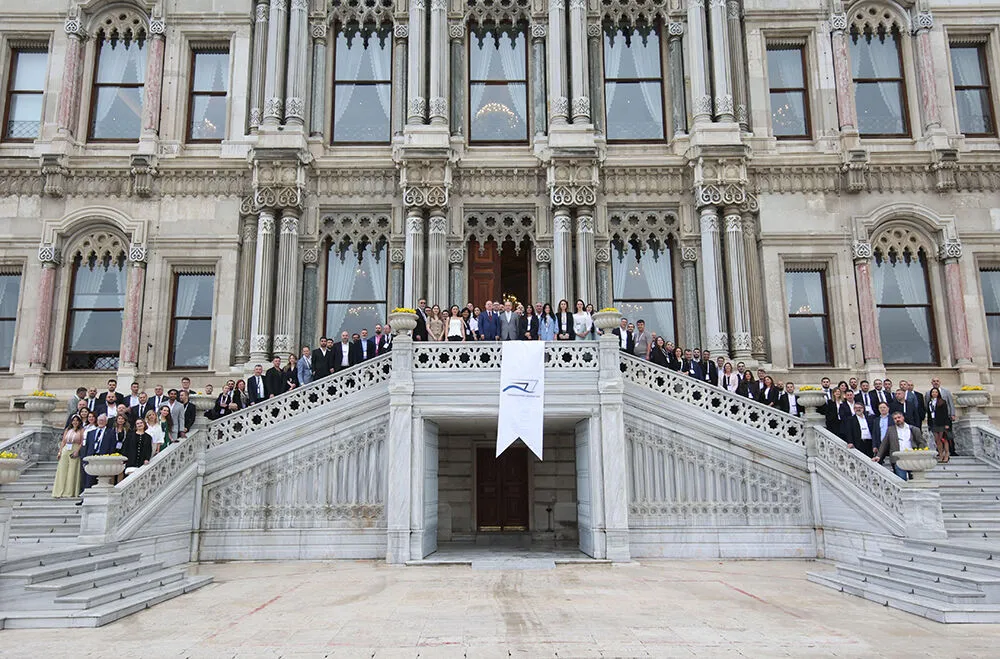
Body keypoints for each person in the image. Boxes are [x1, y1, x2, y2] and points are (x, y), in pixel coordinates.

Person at [873, 411, 927, 480]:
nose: (897, 420)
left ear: (903, 418)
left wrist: (920, 454)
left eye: (899, 417)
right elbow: (884, 444)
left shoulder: (913, 429)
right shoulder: (890, 430)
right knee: (901, 480)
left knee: (914, 480)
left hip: (912, 458)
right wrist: (878, 456)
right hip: (898, 459)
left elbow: (921, 442)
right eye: (895, 418)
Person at [52, 415, 84, 498]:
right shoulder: (68, 429)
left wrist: (77, 451)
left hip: (75, 449)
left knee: (72, 471)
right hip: (66, 449)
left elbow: (82, 442)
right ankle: (59, 491)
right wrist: (60, 451)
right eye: (73, 420)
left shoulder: (81, 430)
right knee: (62, 470)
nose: (75, 422)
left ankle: (69, 492)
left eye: (77, 420)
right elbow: (63, 441)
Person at [926, 387, 951, 462]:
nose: (934, 394)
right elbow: (929, 414)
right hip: (933, 422)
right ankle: (940, 454)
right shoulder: (929, 402)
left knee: (943, 439)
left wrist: (946, 424)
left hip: (941, 422)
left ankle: (946, 454)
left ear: (938, 393)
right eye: (933, 392)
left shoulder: (942, 402)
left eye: (936, 392)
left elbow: (945, 413)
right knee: (937, 440)